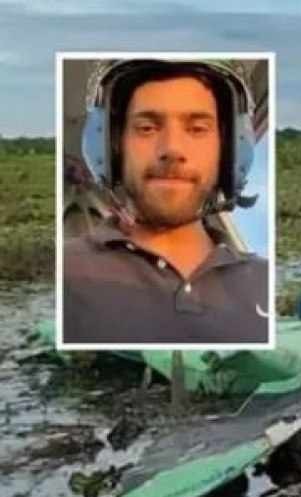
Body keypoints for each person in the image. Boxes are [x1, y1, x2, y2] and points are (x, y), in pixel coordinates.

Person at [62, 59, 268, 344]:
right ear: (113, 147)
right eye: (147, 127)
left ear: (229, 151)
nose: (172, 149)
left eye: (197, 129)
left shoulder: (265, 283)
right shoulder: (64, 274)